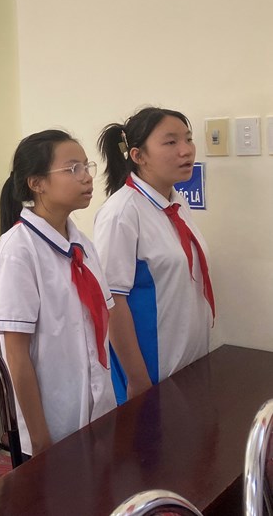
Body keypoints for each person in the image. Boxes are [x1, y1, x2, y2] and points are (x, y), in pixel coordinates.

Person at [0, 130, 115, 457]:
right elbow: (16, 355)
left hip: (96, 409)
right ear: (37, 183)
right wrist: (41, 439)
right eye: (73, 168)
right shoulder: (17, 250)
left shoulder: (81, 244)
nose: (86, 176)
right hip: (52, 426)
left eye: (86, 166)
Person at [94, 107, 214, 404]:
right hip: (151, 372)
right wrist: (138, 380)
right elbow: (112, 303)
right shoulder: (121, 213)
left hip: (189, 362)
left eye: (188, 139)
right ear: (138, 156)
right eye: (171, 142)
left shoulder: (176, 202)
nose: (186, 150)